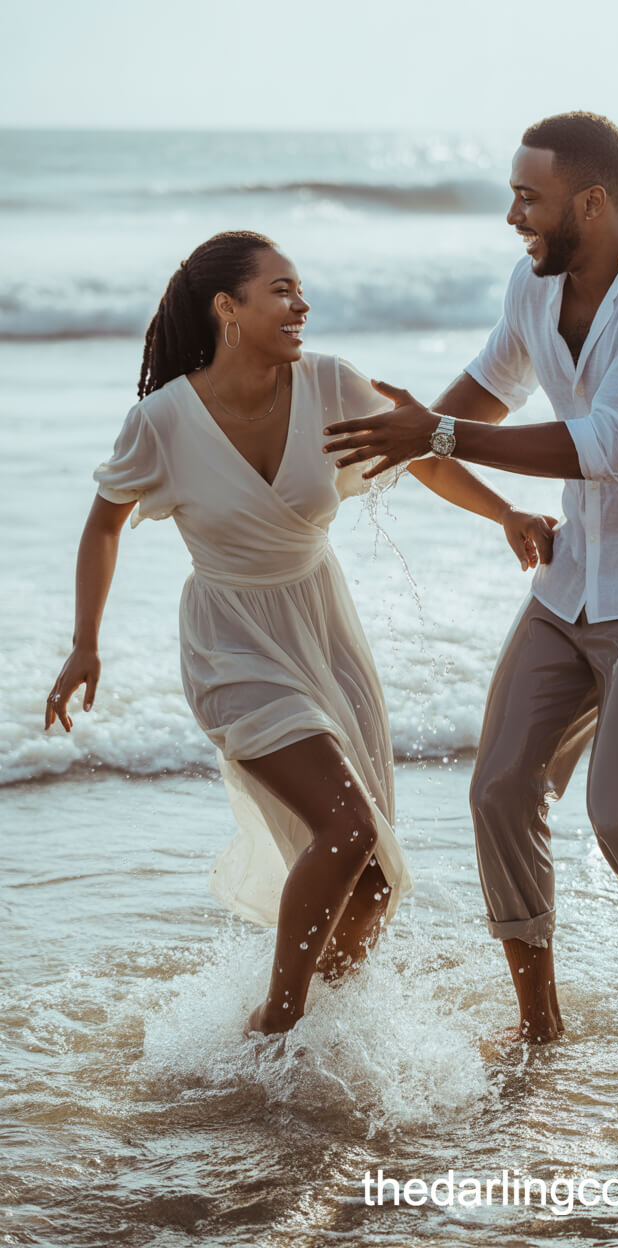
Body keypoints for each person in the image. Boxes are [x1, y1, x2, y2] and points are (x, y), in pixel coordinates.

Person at [322, 113, 618, 1064]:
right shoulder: (534, 292)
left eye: (530, 196)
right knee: (499, 789)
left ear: (593, 201)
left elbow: (609, 445)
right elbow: (454, 420)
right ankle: (540, 1025)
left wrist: (436, 436)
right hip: (571, 584)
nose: (515, 214)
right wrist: (383, 439)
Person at [44, 230, 558, 1039]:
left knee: (374, 878)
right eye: (281, 289)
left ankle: (317, 1037)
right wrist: (85, 643)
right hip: (231, 641)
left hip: (323, 630)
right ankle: (275, 1025)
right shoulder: (163, 422)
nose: (302, 304)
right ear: (228, 309)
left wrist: (508, 513)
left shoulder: (330, 383)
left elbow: (419, 456)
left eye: (301, 288)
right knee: (348, 827)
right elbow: (104, 525)